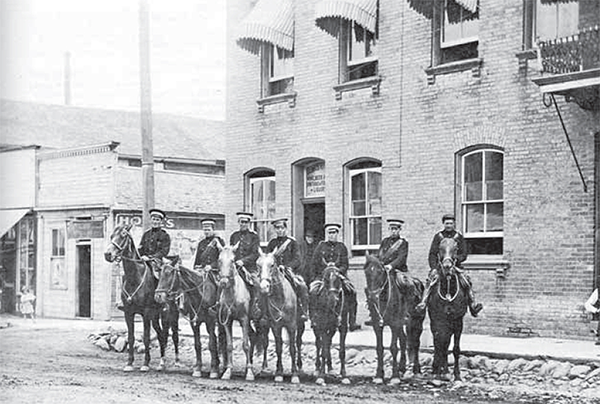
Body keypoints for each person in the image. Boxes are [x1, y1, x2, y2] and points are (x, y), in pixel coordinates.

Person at [416, 213, 483, 317]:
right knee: (430, 282)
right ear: (443, 224)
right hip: (440, 267)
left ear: (454, 224)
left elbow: (464, 253)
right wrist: (434, 267)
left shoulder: (458, 237)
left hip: (455, 267)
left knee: (466, 282)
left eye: (451, 223)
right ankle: (423, 303)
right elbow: (432, 254)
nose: (449, 225)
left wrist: (456, 259)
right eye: (447, 223)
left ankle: (473, 305)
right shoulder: (438, 237)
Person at [312, 223, 361, 331]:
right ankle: (314, 318)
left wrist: (338, 271)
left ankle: (352, 321)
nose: (332, 235)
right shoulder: (321, 247)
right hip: (323, 277)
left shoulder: (342, 247)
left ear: (337, 234)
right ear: (327, 234)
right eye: (330, 233)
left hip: (338, 276)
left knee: (352, 291)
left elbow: (345, 264)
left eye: (334, 233)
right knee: (313, 291)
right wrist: (324, 272)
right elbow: (314, 263)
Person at [265, 218, 309, 321]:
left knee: (302, 286)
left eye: (282, 228)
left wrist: (286, 266)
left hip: (289, 271)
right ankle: (263, 312)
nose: (280, 230)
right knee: (263, 286)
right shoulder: (272, 243)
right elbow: (267, 257)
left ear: (286, 229)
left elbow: (298, 259)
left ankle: (303, 310)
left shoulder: (292, 242)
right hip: (273, 272)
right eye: (277, 228)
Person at [229, 211, 262, 318]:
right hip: (235, 268)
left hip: (249, 268)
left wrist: (243, 261)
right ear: (238, 222)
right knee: (222, 282)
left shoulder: (254, 236)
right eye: (241, 222)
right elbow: (230, 251)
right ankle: (220, 305)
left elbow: (255, 254)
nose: (243, 224)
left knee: (257, 284)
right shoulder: (234, 236)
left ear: (249, 223)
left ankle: (255, 308)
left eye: (245, 222)